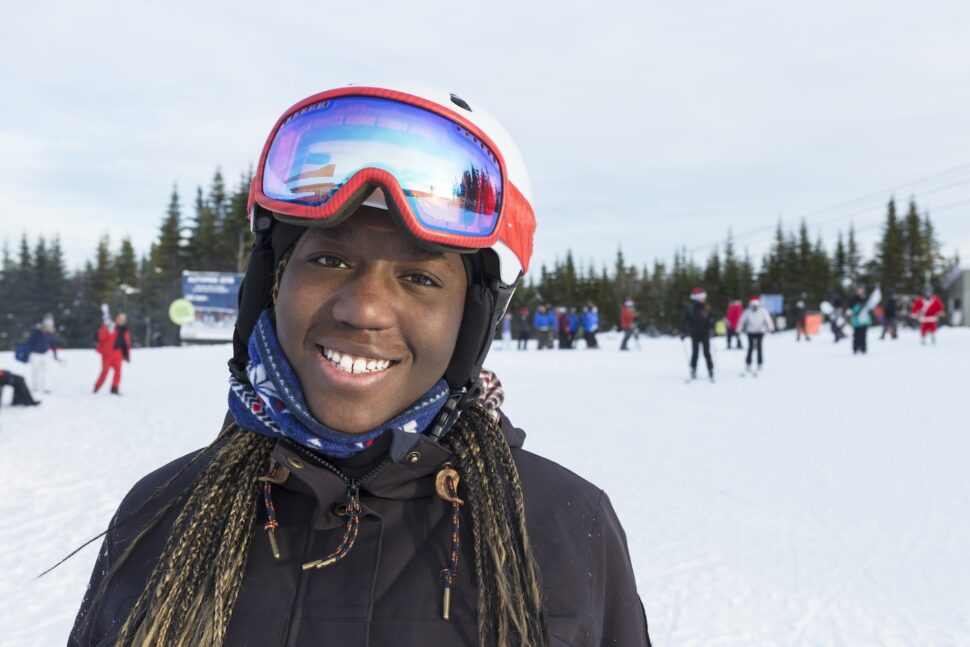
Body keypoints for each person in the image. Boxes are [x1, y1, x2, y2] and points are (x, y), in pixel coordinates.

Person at [69, 84, 650, 647]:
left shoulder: (566, 527)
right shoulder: (162, 513)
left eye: (420, 278)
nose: (364, 309)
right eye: (328, 258)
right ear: (272, 284)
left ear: (470, 322)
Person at [94, 307, 132, 395]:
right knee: (105, 371)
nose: (122, 320)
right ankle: (97, 386)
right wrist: (106, 330)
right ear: (116, 318)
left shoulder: (125, 330)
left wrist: (126, 354)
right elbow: (101, 338)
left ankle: (114, 388)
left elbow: (126, 343)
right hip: (107, 354)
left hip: (118, 353)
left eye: (124, 319)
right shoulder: (109, 327)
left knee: (118, 372)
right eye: (120, 318)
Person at [682, 288, 715, 380]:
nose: (704, 298)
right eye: (702, 297)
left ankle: (710, 369)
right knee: (695, 353)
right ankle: (693, 369)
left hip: (705, 333)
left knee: (707, 353)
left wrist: (712, 324)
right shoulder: (690, 308)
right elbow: (685, 321)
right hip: (695, 333)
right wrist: (683, 331)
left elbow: (711, 318)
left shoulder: (707, 307)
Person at [739, 296, 775, 373]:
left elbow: (768, 320)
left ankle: (760, 363)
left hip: (760, 331)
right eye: (753, 305)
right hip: (750, 332)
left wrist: (771, 328)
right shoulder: (747, 311)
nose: (755, 307)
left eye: (756, 305)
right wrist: (739, 328)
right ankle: (748, 363)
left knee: (759, 347)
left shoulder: (763, 311)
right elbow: (742, 321)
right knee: (750, 347)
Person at [26, 313, 59, 393]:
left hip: (45, 354)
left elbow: (52, 344)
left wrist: (55, 354)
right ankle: (35, 387)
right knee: (35, 372)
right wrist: (27, 354)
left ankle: (46, 388)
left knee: (47, 371)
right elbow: (30, 342)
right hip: (35, 354)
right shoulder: (36, 331)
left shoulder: (50, 334)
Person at [848, 286, 872, 354]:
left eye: (862, 290)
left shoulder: (867, 298)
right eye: (859, 290)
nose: (861, 291)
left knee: (863, 335)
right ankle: (855, 349)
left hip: (864, 320)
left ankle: (863, 349)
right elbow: (850, 308)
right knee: (856, 335)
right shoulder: (854, 299)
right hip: (856, 321)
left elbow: (870, 307)